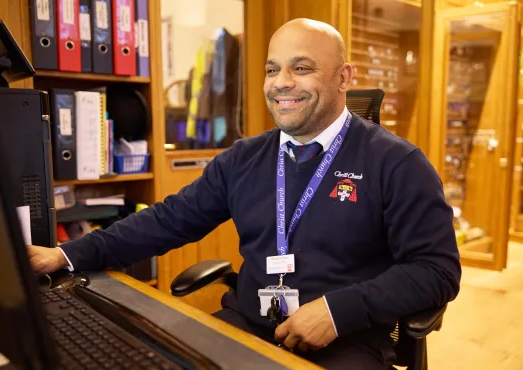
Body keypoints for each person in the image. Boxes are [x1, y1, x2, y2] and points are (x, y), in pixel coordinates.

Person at [28, 18, 461, 369]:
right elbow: (167, 220)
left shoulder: (398, 163)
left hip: (347, 340)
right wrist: (68, 256)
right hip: (248, 323)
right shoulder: (244, 158)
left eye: (302, 67)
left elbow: (437, 271)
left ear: (344, 77)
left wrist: (337, 310)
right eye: (273, 69)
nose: (281, 83)